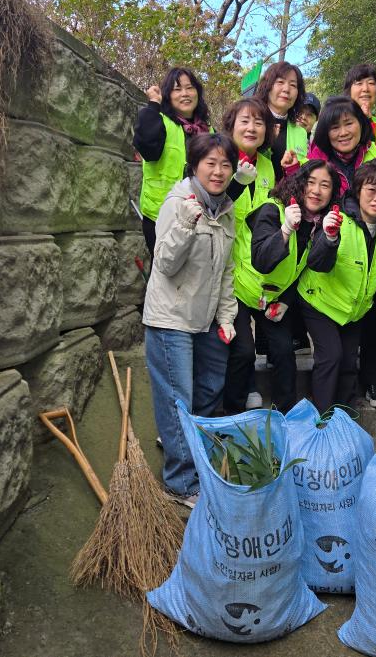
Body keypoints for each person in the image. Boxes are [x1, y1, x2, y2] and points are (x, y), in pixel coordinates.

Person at [142, 133, 238, 508]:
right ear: (195, 165)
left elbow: (226, 271)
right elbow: (165, 264)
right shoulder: (177, 202)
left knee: (211, 388)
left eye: (225, 164)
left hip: (206, 318)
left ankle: (186, 451)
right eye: (210, 163)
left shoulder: (225, 209)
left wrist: (227, 317)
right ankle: (180, 483)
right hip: (171, 318)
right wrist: (184, 224)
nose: (218, 171)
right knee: (177, 400)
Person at [227, 160, 341, 413]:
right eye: (310, 182)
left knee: (284, 351)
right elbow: (262, 260)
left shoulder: (319, 223)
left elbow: (310, 267)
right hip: (239, 289)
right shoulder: (272, 209)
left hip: (272, 296)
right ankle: (232, 413)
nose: (316, 191)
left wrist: (330, 237)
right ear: (298, 184)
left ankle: (285, 415)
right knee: (243, 352)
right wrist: (286, 230)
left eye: (325, 185)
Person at [297, 159, 376, 413]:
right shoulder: (338, 218)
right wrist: (329, 237)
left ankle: (344, 418)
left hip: (354, 309)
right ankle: (322, 419)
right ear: (358, 190)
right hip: (319, 301)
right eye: (371, 190)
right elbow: (317, 263)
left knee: (347, 363)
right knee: (331, 356)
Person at [219, 97, 278, 413]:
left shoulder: (268, 165)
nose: (252, 127)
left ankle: (253, 388)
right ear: (231, 125)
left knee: (272, 344)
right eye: (244, 120)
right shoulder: (219, 159)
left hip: (258, 267)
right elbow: (214, 206)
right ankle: (233, 408)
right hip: (225, 267)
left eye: (259, 122)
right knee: (240, 348)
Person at [133, 67, 212, 254]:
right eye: (177, 89)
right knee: (163, 268)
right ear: (168, 95)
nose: (185, 94)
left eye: (190, 88)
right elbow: (147, 147)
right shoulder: (159, 121)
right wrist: (154, 104)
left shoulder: (209, 131)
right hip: (160, 215)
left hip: (199, 215)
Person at [254, 61, 309, 169]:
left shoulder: (301, 133)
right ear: (267, 86)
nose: (286, 89)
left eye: (293, 85)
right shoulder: (250, 123)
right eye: (280, 82)